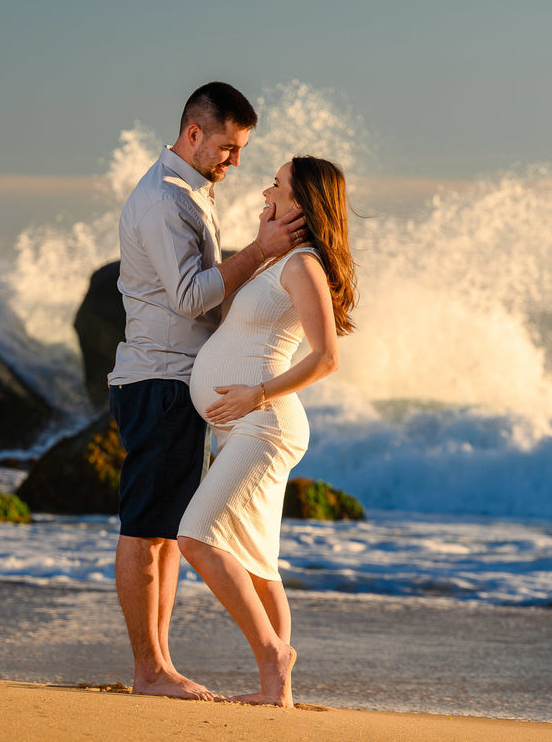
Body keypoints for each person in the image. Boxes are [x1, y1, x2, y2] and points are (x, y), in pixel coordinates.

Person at [107, 82, 309, 701]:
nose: (236, 162)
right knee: (147, 530)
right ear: (193, 133)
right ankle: (150, 671)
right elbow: (193, 296)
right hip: (159, 382)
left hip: (174, 384)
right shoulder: (166, 200)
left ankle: (159, 666)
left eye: (243, 150)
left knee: (166, 530)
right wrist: (262, 250)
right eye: (227, 147)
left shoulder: (193, 191)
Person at [177, 155, 357, 708]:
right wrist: (260, 242)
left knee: (196, 537)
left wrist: (256, 394)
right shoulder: (282, 259)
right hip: (244, 428)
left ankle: (272, 656)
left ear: (300, 202)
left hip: (265, 423)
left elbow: (327, 359)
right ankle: (277, 688)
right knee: (257, 560)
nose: (265, 188)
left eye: (276, 184)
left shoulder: (304, 266)